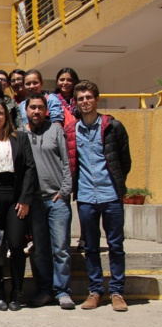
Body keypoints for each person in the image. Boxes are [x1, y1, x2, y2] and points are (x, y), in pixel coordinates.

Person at [64, 80, 131, 311]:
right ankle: (95, 292)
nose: (85, 102)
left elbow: (124, 161)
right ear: (76, 102)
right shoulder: (71, 131)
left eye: (89, 97)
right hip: (85, 197)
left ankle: (117, 292)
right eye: (81, 98)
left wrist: (116, 183)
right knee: (91, 246)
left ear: (96, 99)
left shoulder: (113, 126)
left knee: (116, 245)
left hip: (110, 194)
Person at [0, 98, 37, 311]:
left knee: (16, 246)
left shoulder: (20, 138)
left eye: (0, 113)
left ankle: (16, 292)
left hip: (16, 197)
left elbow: (30, 169)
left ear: (7, 116)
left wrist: (25, 199)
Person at [23, 93, 74, 309]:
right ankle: (44, 290)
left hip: (56, 199)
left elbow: (67, 162)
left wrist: (64, 191)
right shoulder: (21, 134)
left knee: (60, 247)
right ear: (26, 110)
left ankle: (62, 291)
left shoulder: (55, 130)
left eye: (40, 108)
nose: (36, 111)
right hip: (34, 202)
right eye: (32, 107)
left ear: (46, 110)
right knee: (40, 249)